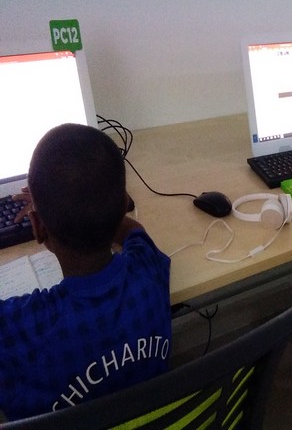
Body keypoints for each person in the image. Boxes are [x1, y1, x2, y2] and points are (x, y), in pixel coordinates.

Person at [0, 123, 172, 421]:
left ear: (37, 228)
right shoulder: (148, 269)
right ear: (123, 205)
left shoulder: (19, 327)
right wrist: (80, 201)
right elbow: (135, 231)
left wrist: (53, 203)